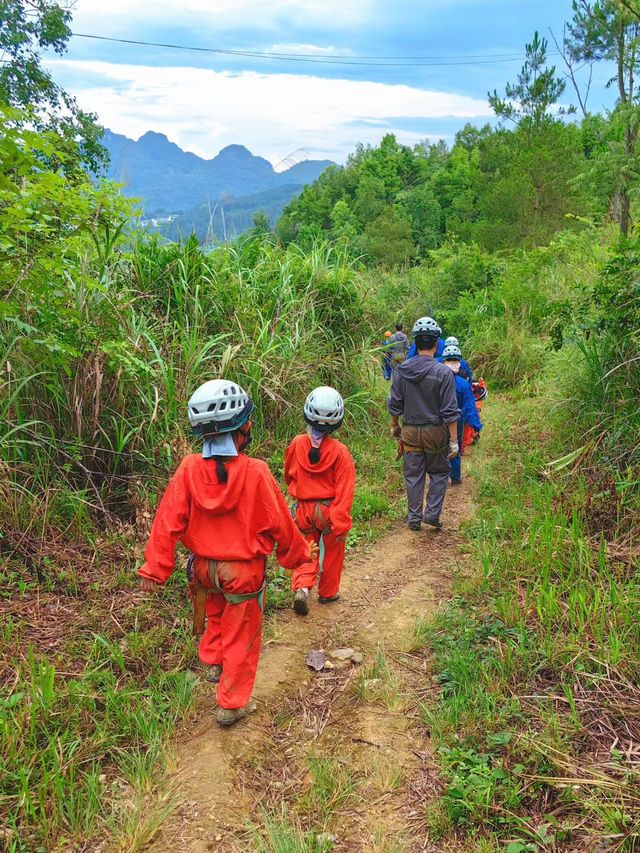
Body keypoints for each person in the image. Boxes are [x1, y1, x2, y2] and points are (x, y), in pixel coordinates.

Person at [138, 379, 314, 727]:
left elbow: (166, 521)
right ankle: (231, 703)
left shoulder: (188, 468)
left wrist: (154, 568)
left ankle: (213, 661)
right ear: (242, 428)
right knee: (242, 635)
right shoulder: (256, 472)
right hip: (242, 573)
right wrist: (297, 557)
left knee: (216, 615)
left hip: (203, 570)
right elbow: (281, 523)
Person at [285, 386, 356, 616]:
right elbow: (345, 490)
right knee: (333, 553)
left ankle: (303, 588)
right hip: (329, 510)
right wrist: (340, 523)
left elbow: (289, 473)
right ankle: (327, 592)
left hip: (304, 510)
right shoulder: (340, 451)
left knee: (307, 549)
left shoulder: (296, 443)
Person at [388, 317, 459, 531]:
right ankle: (432, 514)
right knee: (438, 472)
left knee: (413, 475)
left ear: (416, 343)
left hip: (409, 431)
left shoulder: (401, 371)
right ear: (437, 344)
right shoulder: (443, 372)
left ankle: (414, 517)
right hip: (436, 432)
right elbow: (450, 410)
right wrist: (454, 441)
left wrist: (395, 427)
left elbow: (394, 404)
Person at [441, 345, 483, 484]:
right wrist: (476, 425)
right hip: (457, 420)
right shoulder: (463, 384)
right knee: (455, 446)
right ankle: (455, 476)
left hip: (438, 419)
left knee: (439, 446)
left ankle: (440, 475)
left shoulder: (437, 381)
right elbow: (470, 406)